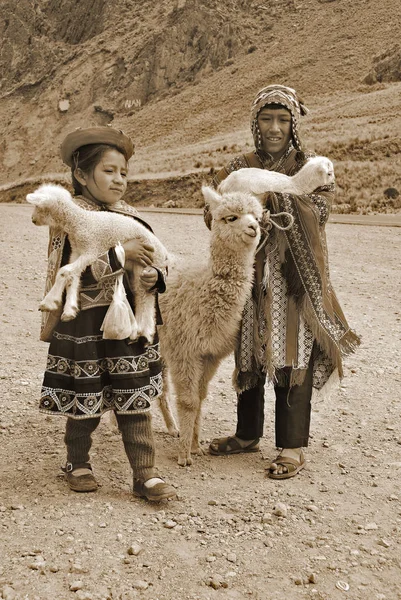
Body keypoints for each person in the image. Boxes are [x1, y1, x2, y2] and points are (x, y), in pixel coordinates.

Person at [207, 84, 360, 478]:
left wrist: (271, 198)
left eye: (282, 119)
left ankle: (292, 447)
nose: (274, 128)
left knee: (290, 353)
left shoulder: (311, 165)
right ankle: (247, 434)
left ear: (293, 124)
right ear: (255, 123)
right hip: (249, 273)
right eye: (266, 119)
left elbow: (320, 212)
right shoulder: (237, 165)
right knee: (250, 352)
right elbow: (211, 211)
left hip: (292, 279)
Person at [37, 125, 176, 501]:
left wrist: (151, 275)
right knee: (86, 396)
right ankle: (77, 461)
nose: (119, 181)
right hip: (83, 322)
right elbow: (68, 270)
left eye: (124, 173)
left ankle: (144, 473)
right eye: (109, 171)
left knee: (134, 398)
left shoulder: (130, 215)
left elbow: (158, 256)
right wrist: (120, 255)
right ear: (81, 175)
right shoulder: (69, 218)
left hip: (127, 323)